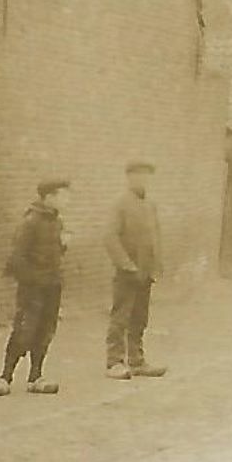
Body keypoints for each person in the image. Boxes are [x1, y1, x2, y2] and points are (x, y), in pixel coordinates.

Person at [0, 180, 72, 397]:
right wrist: (33, 281)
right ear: (49, 197)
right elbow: (17, 258)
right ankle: (5, 376)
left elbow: (54, 255)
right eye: (63, 195)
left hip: (52, 286)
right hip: (33, 287)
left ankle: (36, 376)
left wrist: (63, 246)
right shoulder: (30, 222)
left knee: (45, 329)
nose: (67, 200)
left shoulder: (58, 222)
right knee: (25, 329)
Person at [104, 161, 167, 380]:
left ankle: (137, 360)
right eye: (139, 176)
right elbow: (110, 237)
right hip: (127, 272)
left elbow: (155, 235)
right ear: (129, 177)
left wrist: (156, 264)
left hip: (145, 272)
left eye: (147, 176)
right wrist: (126, 264)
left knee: (140, 317)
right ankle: (114, 361)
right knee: (121, 316)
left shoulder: (150, 205)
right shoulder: (120, 204)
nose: (143, 180)